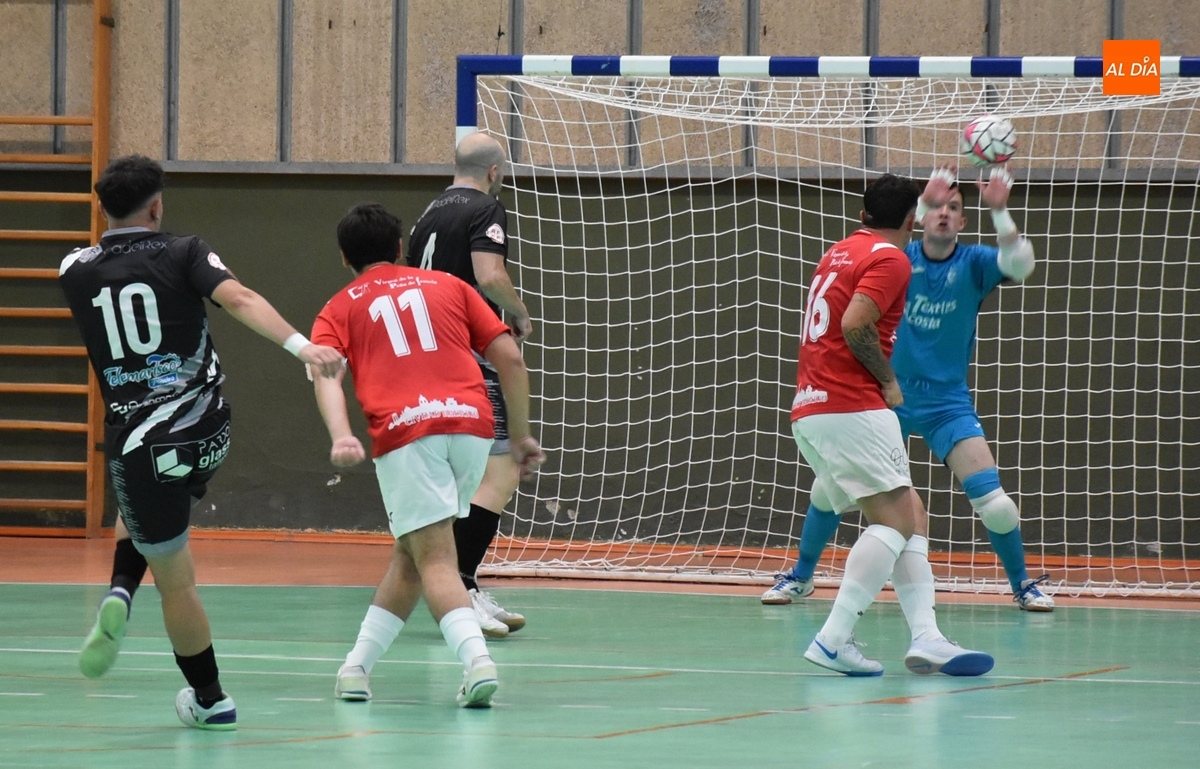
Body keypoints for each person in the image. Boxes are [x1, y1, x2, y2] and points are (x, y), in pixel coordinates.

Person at [59, 155, 344, 729]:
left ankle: (210, 700)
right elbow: (238, 298)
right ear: (157, 206)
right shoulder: (184, 251)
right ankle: (121, 591)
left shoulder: (74, 268)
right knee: (146, 512)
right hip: (209, 429)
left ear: (101, 207)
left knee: (176, 579)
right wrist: (303, 348)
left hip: (141, 445)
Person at [764, 165, 1053, 612]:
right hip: (887, 397)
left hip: (946, 402)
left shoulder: (974, 263)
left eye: (953, 207)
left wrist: (999, 211)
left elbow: (1022, 264)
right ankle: (801, 577)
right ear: (918, 217)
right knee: (829, 489)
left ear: (963, 221)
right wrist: (921, 200)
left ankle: (1022, 584)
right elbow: (884, 231)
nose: (944, 213)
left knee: (994, 503)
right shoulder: (896, 256)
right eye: (936, 206)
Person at [310, 203, 544, 707]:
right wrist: (520, 436)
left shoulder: (339, 306)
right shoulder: (451, 286)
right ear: (400, 249)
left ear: (343, 257)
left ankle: (477, 663)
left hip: (409, 431)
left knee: (435, 557)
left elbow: (326, 372)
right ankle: (355, 669)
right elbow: (510, 358)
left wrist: (341, 434)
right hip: (473, 427)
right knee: (413, 555)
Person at [791, 173, 994, 677]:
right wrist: (888, 380)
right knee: (895, 522)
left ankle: (927, 637)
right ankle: (833, 638)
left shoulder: (838, 251)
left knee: (912, 515)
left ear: (863, 215)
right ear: (911, 221)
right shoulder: (891, 258)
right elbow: (855, 323)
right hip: (851, 405)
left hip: (812, 406)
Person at [405, 132, 533, 638]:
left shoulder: (427, 215)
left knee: (463, 478)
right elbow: (489, 273)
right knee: (502, 470)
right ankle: (458, 586)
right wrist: (517, 313)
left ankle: (466, 586)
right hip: (466, 355)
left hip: (424, 356)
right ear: (495, 172)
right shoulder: (486, 208)